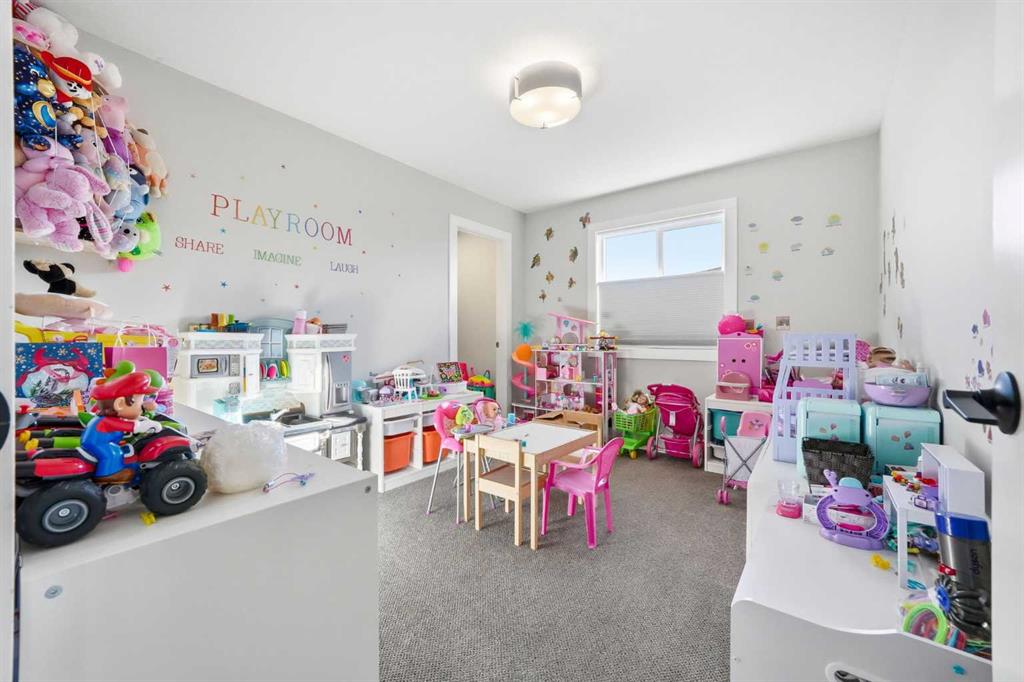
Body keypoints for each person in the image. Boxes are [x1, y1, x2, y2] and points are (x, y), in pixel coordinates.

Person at [80, 371, 162, 483]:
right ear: (120, 404)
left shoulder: (111, 417)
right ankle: (108, 475)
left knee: (119, 449)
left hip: (100, 442)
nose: (142, 405)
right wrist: (146, 425)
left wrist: (140, 419)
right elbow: (130, 426)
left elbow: (127, 421)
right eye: (140, 401)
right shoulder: (108, 421)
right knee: (114, 453)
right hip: (96, 444)